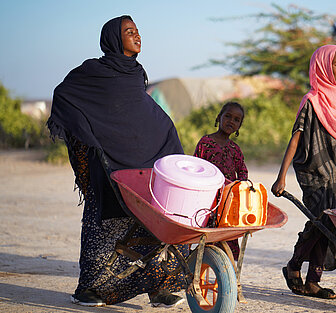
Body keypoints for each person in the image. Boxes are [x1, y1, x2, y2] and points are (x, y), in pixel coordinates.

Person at [47, 15, 188, 307]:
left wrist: (165, 132)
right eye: (129, 32)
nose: (137, 36)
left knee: (152, 224)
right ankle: (89, 290)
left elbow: (138, 113)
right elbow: (64, 94)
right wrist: (88, 140)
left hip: (141, 163)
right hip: (108, 164)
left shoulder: (136, 73)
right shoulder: (94, 71)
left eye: (137, 31)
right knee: (103, 227)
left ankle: (158, 287)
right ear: (114, 38)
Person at [271, 45, 336, 299]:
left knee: (328, 221)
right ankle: (297, 267)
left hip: (335, 172)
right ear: (323, 68)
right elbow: (296, 139)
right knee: (323, 219)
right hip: (313, 171)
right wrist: (281, 176)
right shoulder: (312, 101)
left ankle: (309, 278)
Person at [193, 101, 248, 260]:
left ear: (239, 125)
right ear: (219, 117)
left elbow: (242, 170)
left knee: (227, 238)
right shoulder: (206, 142)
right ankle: (200, 276)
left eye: (236, 120)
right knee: (207, 239)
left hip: (228, 202)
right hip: (208, 200)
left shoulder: (235, 149)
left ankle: (226, 278)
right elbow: (196, 165)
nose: (231, 121)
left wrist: (241, 185)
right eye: (228, 116)